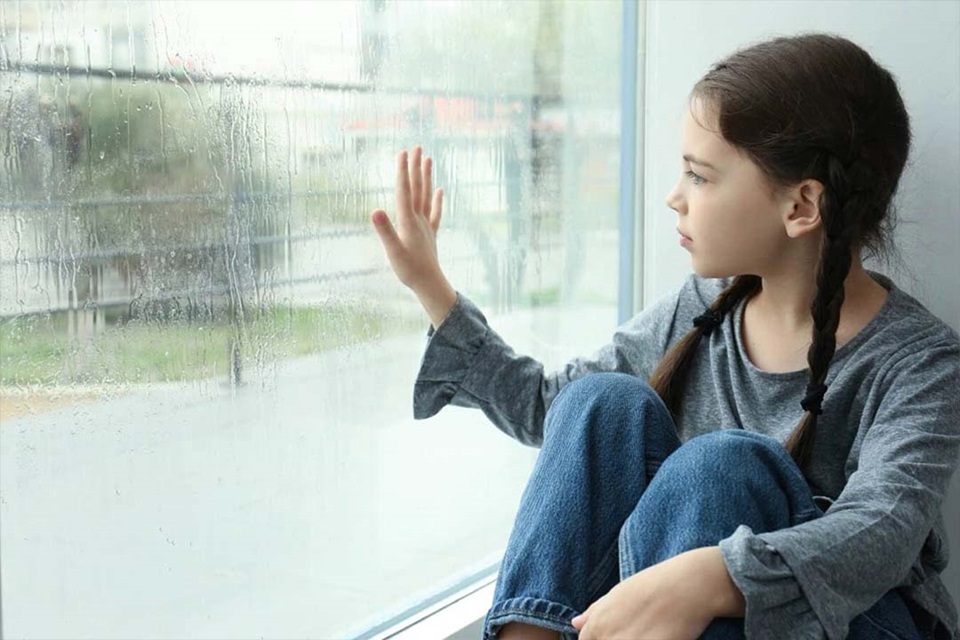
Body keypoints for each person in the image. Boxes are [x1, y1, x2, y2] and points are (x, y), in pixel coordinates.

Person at [369, 33, 960, 640]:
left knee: (720, 466)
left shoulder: (919, 360)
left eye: (699, 176)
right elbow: (553, 411)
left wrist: (718, 576)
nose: (674, 198)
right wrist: (432, 288)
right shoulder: (706, 309)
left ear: (802, 206)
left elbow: (884, 528)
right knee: (600, 403)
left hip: (858, 622)